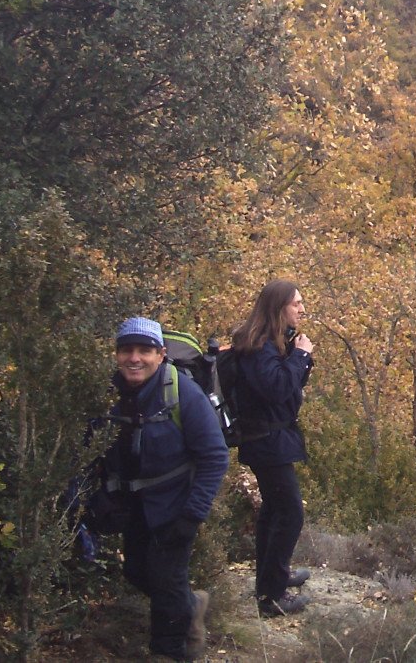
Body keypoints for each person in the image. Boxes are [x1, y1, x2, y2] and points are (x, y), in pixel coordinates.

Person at [105, 316, 228, 660]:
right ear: (116, 355)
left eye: (144, 350)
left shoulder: (182, 393)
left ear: (160, 354)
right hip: (134, 507)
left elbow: (215, 456)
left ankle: (171, 652)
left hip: (177, 505)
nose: (135, 358)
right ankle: (193, 604)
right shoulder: (109, 393)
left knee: (164, 580)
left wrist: (192, 514)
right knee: (136, 572)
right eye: (126, 350)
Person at [229, 278, 314, 617]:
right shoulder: (258, 345)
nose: (302, 310)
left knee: (273, 510)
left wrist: (297, 356)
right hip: (266, 440)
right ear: (279, 307)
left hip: (270, 438)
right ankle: (272, 595)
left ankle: (270, 580)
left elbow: (287, 388)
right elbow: (278, 388)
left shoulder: (271, 343)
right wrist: (302, 356)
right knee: (290, 512)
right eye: (296, 304)